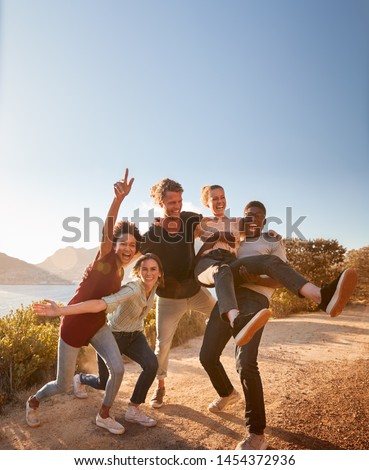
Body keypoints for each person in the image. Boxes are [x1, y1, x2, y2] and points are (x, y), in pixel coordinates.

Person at [200, 200, 358, 450]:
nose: (252, 218)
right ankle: (227, 393)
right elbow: (209, 232)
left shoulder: (273, 241)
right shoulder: (236, 238)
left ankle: (256, 433)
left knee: (245, 363)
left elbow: (280, 277)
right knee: (207, 356)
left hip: (255, 298)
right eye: (248, 214)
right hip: (230, 297)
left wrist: (255, 278)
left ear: (265, 220)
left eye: (258, 215)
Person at [27, 169, 141, 435]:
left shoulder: (123, 269)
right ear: (115, 244)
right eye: (123, 243)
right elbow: (108, 226)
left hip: (97, 325)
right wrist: (118, 200)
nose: (127, 248)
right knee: (62, 385)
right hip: (74, 325)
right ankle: (33, 400)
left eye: (133, 246)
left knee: (118, 368)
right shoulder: (105, 256)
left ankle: (104, 414)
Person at [195, 185, 358, 346]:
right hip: (207, 264)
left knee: (269, 260)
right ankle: (236, 320)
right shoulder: (200, 223)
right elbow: (183, 245)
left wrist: (270, 233)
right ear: (206, 203)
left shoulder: (238, 222)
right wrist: (214, 237)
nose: (219, 201)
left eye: (222, 197)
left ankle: (321, 296)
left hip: (230, 263)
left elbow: (256, 226)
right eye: (214, 198)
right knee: (221, 270)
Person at [33, 253, 164, 429]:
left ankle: (133, 409)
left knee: (151, 364)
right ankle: (80, 379)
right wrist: (61, 310)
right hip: (115, 336)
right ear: (138, 272)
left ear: (160, 273)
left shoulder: (154, 286)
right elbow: (100, 304)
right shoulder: (133, 289)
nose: (149, 273)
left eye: (153, 269)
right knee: (104, 382)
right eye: (145, 269)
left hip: (135, 336)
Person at [140, 178, 216, 408]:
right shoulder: (153, 232)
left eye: (180, 200)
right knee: (162, 344)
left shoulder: (188, 218)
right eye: (172, 202)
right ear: (161, 201)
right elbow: (140, 259)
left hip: (195, 290)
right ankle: (160, 386)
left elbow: (213, 225)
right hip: (169, 299)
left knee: (224, 315)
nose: (177, 205)